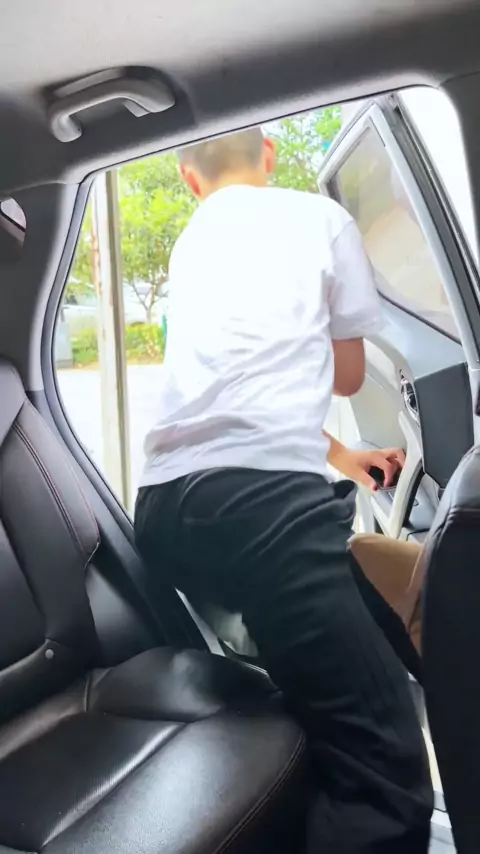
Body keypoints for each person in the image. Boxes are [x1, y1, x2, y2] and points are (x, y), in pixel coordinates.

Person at [134, 128, 432, 853]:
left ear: (189, 180)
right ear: (268, 155)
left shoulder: (191, 243)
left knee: (363, 633)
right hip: (261, 513)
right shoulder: (320, 217)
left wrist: (346, 458)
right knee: (386, 771)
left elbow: (234, 403)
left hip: (167, 509)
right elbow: (348, 376)